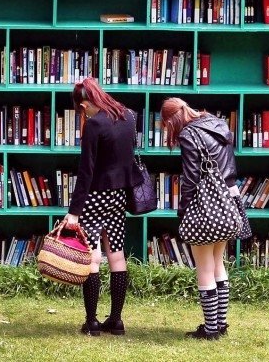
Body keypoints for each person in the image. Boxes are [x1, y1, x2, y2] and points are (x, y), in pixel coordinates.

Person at [62, 77, 142, 337]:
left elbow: (86, 172)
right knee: (116, 255)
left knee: (93, 257)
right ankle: (116, 321)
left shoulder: (94, 126)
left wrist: (73, 212)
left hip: (95, 197)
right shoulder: (129, 116)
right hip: (119, 196)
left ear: (84, 104)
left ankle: (92, 322)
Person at [161, 97, 238, 340]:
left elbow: (191, 179)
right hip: (227, 203)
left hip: (204, 208)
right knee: (218, 264)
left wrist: (184, 212)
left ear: (172, 120)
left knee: (204, 268)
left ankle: (210, 330)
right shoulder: (218, 123)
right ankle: (221, 324)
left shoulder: (189, 135)